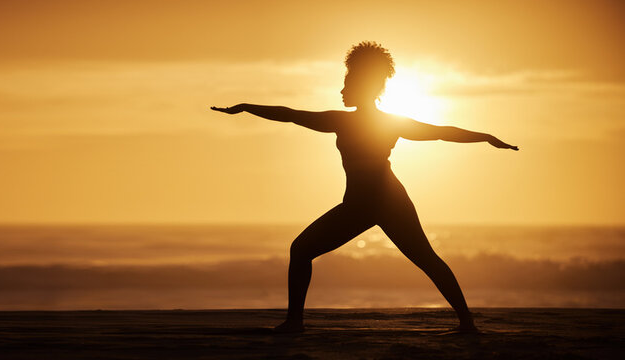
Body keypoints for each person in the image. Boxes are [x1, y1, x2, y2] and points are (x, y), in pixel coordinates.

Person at [211, 41, 518, 334]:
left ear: (363, 86)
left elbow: (440, 132)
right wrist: (248, 107)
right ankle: (295, 322)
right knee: (304, 250)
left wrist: (485, 136)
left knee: (422, 258)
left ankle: (466, 322)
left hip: (386, 201)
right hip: (363, 203)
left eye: (348, 84)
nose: (342, 90)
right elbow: (291, 114)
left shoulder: (362, 122)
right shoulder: (355, 121)